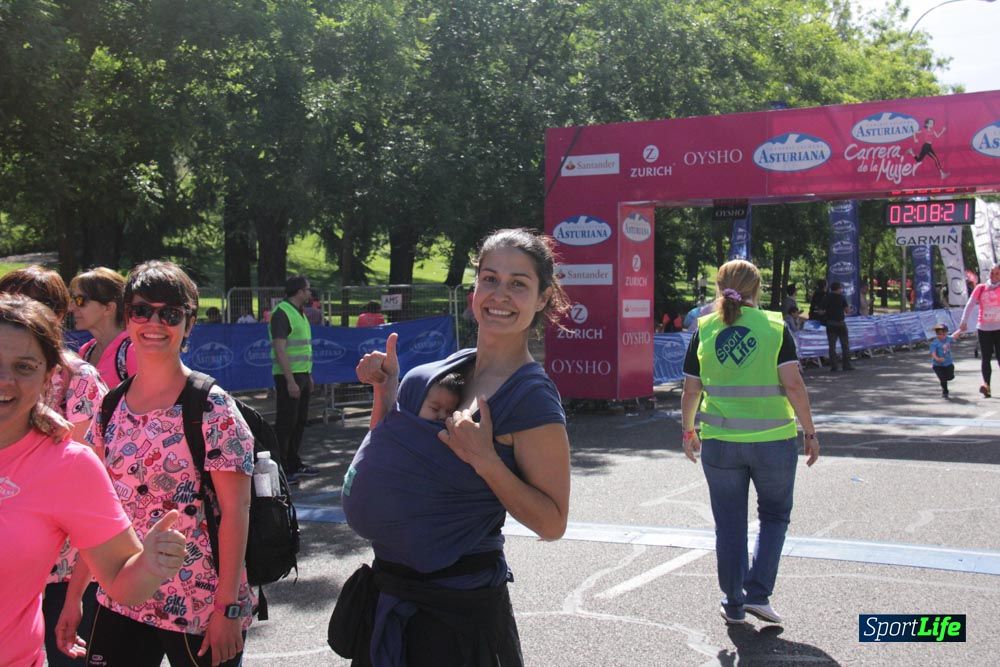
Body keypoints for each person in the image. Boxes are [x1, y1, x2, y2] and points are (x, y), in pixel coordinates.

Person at [342, 228, 572, 665]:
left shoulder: (532, 399)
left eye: (518, 284)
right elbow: (389, 456)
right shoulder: (433, 374)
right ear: (473, 290)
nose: (499, 295)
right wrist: (385, 389)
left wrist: (486, 460)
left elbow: (553, 523)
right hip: (389, 595)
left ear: (542, 298)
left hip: (457, 618)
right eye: (489, 279)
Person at [63, 261, 256, 667]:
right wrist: (75, 596)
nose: (154, 322)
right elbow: (98, 512)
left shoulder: (211, 406)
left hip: (199, 606)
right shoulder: (111, 405)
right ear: (126, 316)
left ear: (189, 323)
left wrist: (228, 611)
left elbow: (236, 513)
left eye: (170, 313)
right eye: (141, 310)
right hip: (122, 597)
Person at [0, 295, 186, 667]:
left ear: (51, 375)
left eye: (24, 366)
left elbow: (121, 581)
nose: (5, 380)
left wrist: (150, 564)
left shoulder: (67, 466)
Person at [679, 259, 819, 626]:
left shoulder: (705, 328)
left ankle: (733, 600)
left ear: (718, 287)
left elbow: (691, 389)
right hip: (773, 440)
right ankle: (758, 593)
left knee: (729, 524)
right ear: (757, 289)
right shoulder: (775, 326)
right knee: (774, 516)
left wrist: (689, 431)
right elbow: (793, 385)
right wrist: (810, 431)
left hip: (721, 441)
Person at [0, 266, 110, 666]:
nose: (20, 315)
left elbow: (82, 487)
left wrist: (80, 590)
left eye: (34, 306)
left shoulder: (80, 378)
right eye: (10, 303)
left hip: (61, 571)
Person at [269, 275, 318, 480]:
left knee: (299, 421)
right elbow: (279, 349)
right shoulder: (282, 313)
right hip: (289, 376)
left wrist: (308, 376)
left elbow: (303, 347)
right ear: (299, 291)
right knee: (286, 423)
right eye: (307, 289)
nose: (309, 293)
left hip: (302, 374)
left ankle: (294, 463)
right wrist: (290, 381)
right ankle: (282, 469)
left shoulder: (300, 313)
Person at [68, 267, 138, 389]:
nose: (71, 308)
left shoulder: (132, 351)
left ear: (108, 308)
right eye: (72, 300)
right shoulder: (86, 351)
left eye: (80, 300)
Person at [956, 262, 1000, 398]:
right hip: (983, 328)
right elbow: (969, 305)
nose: (993, 276)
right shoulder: (981, 288)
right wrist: (963, 322)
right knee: (985, 358)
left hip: (999, 328)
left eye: (997, 273)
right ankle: (986, 386)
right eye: (992, 273)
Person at [821, 282, 853, 372]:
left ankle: (834, 366)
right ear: (838, 288)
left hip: (830, 323)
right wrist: (849, 309)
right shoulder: (841, 297)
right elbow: (847, 311)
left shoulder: (826, 297)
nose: (841, 290)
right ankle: (846, 365)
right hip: (840, 323)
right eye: (841, 288)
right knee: (845, 345)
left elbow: (821, 310)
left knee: (832, 346)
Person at [930, 324, 957, 398]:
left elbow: (954, 335)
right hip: (937, 365)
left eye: (943, 333)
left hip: (948, 363)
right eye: (939, 334)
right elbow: (933, 353)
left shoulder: (948, 339)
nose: (941, 335)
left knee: (950, 377)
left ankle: (950, 377)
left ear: (946, 333)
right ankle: (945, 391)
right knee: (943, 378)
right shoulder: (934, 343)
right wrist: (937, 359)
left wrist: (961, 329)